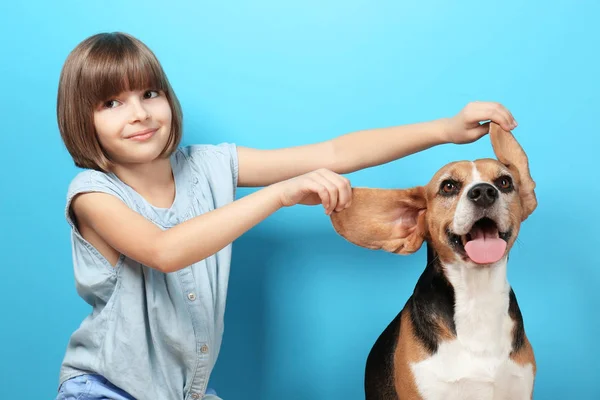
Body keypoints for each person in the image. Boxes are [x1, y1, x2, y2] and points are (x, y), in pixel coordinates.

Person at [54, 31, 518, 400]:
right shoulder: (92, 196)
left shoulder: (208, 166)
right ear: (82, 119)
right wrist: (279, 194)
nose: (138, 114)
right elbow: (164, 250)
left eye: (149, 93)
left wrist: (442, 129)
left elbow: (334, 151)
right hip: (105, 390)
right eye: (111, 103)